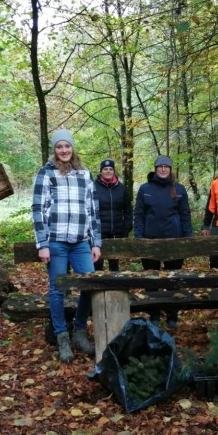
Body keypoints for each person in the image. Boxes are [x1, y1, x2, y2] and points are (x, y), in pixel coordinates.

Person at [32, 129, 100, 362]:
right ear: (55, 149)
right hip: (56, 242)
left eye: (67, 146)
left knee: (90, 285)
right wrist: (43, 244)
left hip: (81, 242)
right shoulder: (46, 173)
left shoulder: (84, 174)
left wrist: (96, 242)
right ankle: (62, 336)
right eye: (59, 147)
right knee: (57, 289)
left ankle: (79, 330)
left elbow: (93, 210)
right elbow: (38, 210)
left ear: (72, 148)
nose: (64, 150)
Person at [134, 155, 193, 328]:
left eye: (166, 166)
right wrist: (139, 236)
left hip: (174, 240)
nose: (163, 169)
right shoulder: (145, 188)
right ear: (155, 168)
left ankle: (172, 315)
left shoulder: (179, 189)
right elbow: (139, 214)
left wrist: (188, 237)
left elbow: (185, 215)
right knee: (151, 280)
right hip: (150, 240)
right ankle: (153, 313)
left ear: (170, 169)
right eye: (160, 166)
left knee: (172, 279)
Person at [93, 158, 132, 272]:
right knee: (97, 265)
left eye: (111, 169)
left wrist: (126, 229)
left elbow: (128, 210)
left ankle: (114, 289)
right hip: (98, 234)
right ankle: (97, 289)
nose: (108, 171)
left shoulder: (121, 188)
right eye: (105, 169)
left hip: (117, 234)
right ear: (101, 171)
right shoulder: (93, 187)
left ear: (114, 171)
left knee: (114, 267)